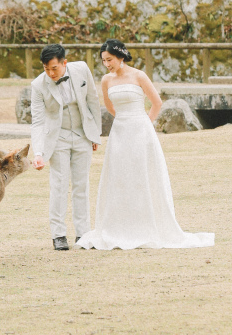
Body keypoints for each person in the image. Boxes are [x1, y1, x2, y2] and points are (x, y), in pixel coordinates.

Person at [77, 39, 215, 251]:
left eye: (110, 60)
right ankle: (120, 225)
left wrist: (143, 122)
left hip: (141, 130)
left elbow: (157, 102)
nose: (107, 64)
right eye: (104, 61)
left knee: (142, 174)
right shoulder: (106, 80)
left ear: (120, 56)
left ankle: (147, 224)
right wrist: (124, 118)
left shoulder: (138, 76)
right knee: (120, 176)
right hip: (120, 132)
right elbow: (109, 106)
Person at [30, 43, 102, 251]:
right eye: (46, 69)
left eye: (54, 68)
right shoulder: (38, 85)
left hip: (82, 135)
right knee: (59, 185)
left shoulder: (81, 70)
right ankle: (58, 234)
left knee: (81, 185)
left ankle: (84, 233)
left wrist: (94, 134)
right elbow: (38, 122)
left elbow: (93, 101)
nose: (50, 73)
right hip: (57, 138)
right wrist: (38, 152)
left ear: (64, 62)